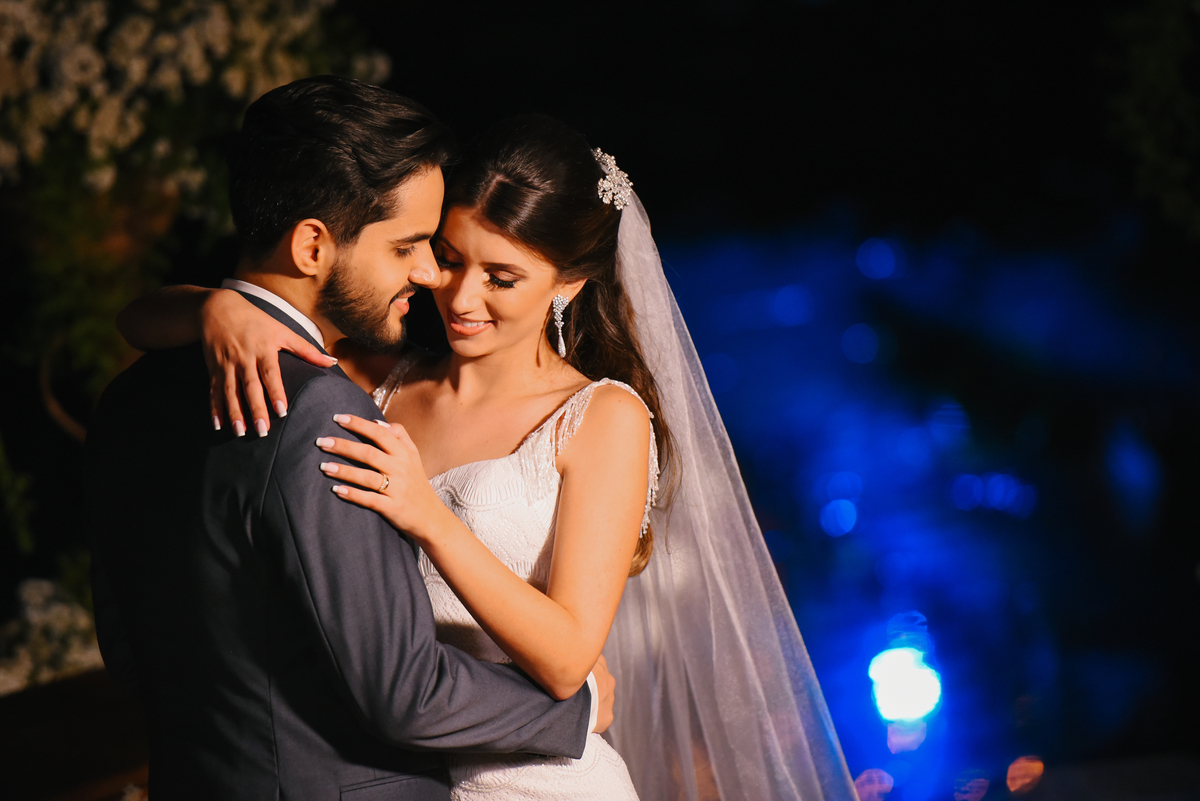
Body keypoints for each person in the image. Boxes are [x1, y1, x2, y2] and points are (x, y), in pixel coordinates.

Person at [121, 113, 858, 800]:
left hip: (536, 779)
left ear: (568, 283)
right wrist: (215, 309)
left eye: (502, 277)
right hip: (398, 770)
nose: (460, 295)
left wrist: (430, 517)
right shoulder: (379, 378)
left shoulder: (601, 418)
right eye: (447, 257)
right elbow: (137, 321)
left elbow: (571, 658)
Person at [86, 77, 613, 801]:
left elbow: (128, 651)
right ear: (312, 245)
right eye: (410, 248)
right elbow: (403, 691)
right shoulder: (328, 412)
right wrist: (574, 713)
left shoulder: (127, 398)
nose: (432, 277)